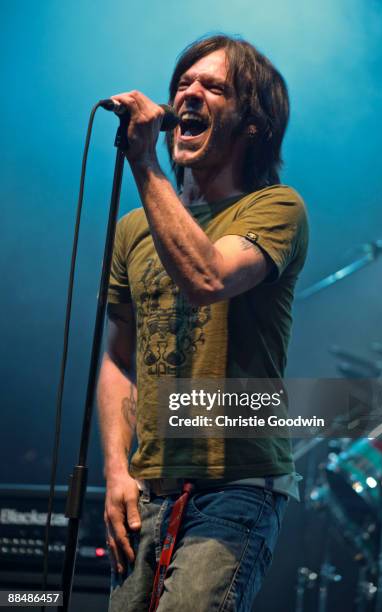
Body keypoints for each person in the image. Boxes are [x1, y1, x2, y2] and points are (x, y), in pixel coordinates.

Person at [97, 34, 309, 612]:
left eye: (213, 86)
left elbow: (209, 278)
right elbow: (118, 358)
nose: (189, 93)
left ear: (253, 124)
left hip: (236, 488)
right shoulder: (133, 230)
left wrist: (143, 162)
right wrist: (117, 471)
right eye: (183, 84)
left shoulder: (277, 209)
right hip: (148, 490)